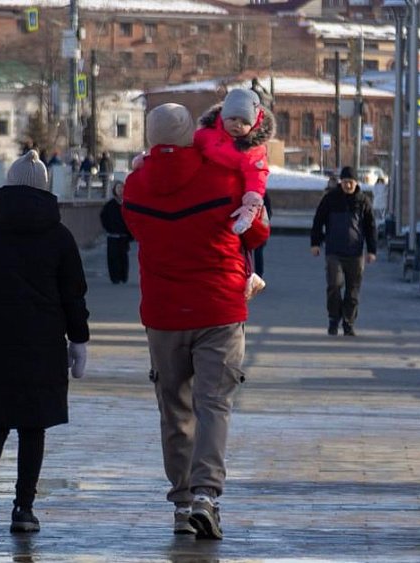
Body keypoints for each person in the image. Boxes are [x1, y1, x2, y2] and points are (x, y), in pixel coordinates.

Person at [121, 103, 270, 541]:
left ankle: (182, 502)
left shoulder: (135, 187)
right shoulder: (224, 178)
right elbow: (257, 233)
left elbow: (135, 229)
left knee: (175, 408)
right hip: (219, 310)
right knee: (214, 404)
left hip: (164, 313)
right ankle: (206, 495)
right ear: (193, 133)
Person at [0, 149, 90, 534]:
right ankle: (24, 509)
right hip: (43, 344)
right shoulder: (59, 235)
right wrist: (79, 341)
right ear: (45, 186)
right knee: (32, 426)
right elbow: (73, 294)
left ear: (6, 183)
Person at [194, 88, 274, 234]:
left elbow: (256, 175)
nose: (237, 125)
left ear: (253, 124)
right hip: (203, 196)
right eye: (233, 119)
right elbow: (186, 149)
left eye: (244, 122)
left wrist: (252, 197)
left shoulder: (251, 148)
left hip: (232, 200)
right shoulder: (206, 135)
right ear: (224, 116)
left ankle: (248, 213)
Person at [309, 166, 377, 337]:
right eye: (345, 182)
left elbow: (371, 227)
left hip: (355, 253)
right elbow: (318, 220)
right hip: (334, 252)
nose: (348, 186)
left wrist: (372, 250)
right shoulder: (330, 199)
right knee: (334, 285)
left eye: (351, 183)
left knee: (353, 291)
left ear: (356, 183)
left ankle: (348, 322)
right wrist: (315, 243)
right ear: (341, 182)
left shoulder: (362, 201)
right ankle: (333, 318)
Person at [100, 180, 132, 284]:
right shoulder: (110, 205)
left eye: (122, 188)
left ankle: (123, 276)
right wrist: (109, 228)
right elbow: (104, 218)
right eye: (118, 188)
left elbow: (131, 220)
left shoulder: (127, 204)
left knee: (123, 256)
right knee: (113, 257)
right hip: (112, 236)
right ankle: (114, 277)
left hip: (123, 236)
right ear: (114, 190)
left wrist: (130, 234)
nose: (120, 190)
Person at [252, 193, 273, 276]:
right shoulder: (263, 193)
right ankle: (258, 275)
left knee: (256, 252)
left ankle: (256, 275)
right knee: (258, 252)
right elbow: (269, 212)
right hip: (259, 226)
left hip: (257, 226)